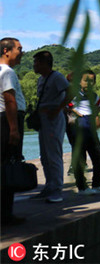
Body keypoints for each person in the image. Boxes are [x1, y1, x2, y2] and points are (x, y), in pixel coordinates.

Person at [31, 50, 68, 203]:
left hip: (53, 118)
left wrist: (58, 109)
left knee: (54, 154)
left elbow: (71, 92)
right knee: (45, 155)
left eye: (36, 62)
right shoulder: (41, 79)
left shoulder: (57, 77)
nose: (34, 65)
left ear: (44, 63)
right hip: (43, 119)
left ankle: (57, 189)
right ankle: (49, 185)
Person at [71, 70, 100, 194]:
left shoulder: (94, 96)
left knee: (99, 155)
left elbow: (97, 106)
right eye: (86, 80)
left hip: (90, 126)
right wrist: (78, 115)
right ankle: (82, 187)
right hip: (78, 126)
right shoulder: (73, 95)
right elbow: (66, 105)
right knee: (80, 157)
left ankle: (97, 184)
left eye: (91, 81)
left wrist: (96, 118)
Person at [0, 37, 27, 224]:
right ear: (6, 51)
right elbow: (10, 100)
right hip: (7, 121)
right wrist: (14, 129)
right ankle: (6, 214)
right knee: (8, 165)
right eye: (19, 48)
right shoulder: (7, 72)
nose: (22, 52)